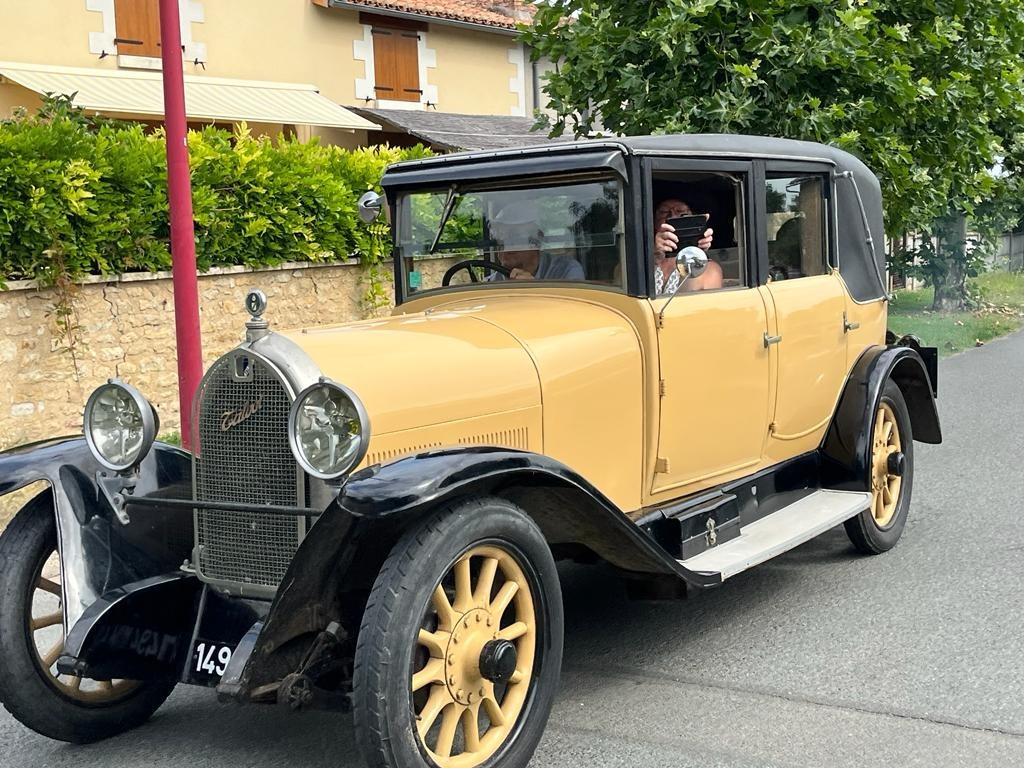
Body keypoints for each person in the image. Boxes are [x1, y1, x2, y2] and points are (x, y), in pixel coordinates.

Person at [488, 200, 585, 281]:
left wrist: (534, 288)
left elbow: (572, 302)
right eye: (500, 239)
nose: (506, 248)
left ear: (537, 240)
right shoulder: (491, 283)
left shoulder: (565, 270)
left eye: (516, 238)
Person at [653, 198, 723, 294]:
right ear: (655, 222)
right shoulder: (642, 261)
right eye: (664, 212)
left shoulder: (709, 269)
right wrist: (654, 254)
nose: (672, 215)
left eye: (680, 211)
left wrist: (696, 255)